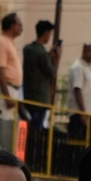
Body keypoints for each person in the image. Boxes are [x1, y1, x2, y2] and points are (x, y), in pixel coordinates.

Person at [21, 20, 58, 166]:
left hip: (28, 94)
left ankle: (27, 155)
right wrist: (56, 57)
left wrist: (48, 56)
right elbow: (51, 72)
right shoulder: (41, 52)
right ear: (46, 33)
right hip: (41, 98)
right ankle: (34, 159)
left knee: (30, 128)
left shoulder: (28, 49)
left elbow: (37, 65)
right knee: (38, 131)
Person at [68, 42, 91, 141]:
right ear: (83, 51)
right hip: (80, 114)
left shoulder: (90, 68)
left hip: (90, 114)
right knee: (76, 142)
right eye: (90, 52)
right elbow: (77, 89)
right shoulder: (78, 67)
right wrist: (82, 112)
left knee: (85, 143)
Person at [0, 13, 24, 115]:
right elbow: (0, 70)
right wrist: (7, 97)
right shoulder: (1, 42)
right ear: (11, 26)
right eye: (19, 25)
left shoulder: (10, 42)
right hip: (5, 90)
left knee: (10, 125)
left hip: (13, 89)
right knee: (3, 124)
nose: (21, 28)